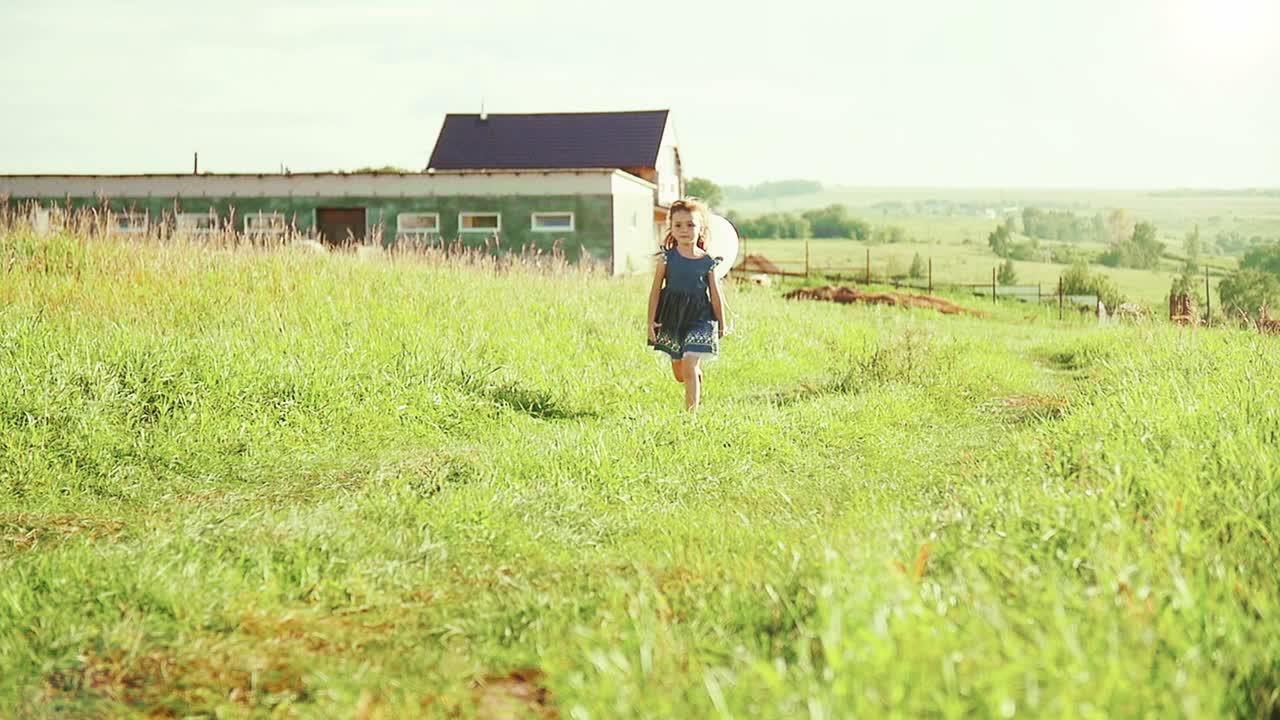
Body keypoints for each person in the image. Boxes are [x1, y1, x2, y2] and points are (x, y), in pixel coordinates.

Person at [646, 198, 728, 411]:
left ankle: (690, 417)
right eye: (678, 225)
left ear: (701, 229)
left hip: (700, 316)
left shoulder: (708, 261)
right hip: (672, 317)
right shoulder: (666, 259)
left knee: (690, 361)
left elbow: (716, 294)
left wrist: (722, 322)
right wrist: (650, 322)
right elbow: (655, 292)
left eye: (691, 225)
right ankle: (694, 375)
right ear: (671, 228)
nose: (684, 230)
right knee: (681, 373)